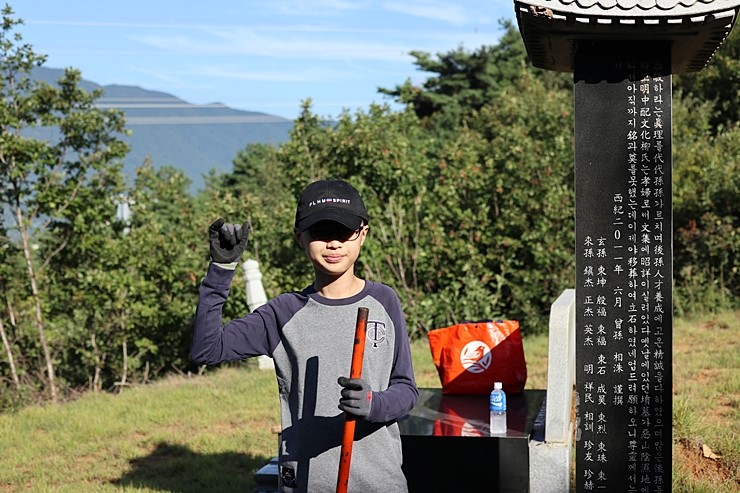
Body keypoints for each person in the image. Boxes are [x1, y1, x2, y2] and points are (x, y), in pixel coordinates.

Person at [190, 179, 419, 492]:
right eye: (321, 233)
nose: (334, 243)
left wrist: (373, 404)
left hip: (380, 483)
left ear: (362, 234)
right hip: (308, 484)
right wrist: (220, 269)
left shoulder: (384, 301)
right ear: (300, 237)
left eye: (344, 232)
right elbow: (207, 349)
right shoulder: (283, 313)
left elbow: (406, 391)